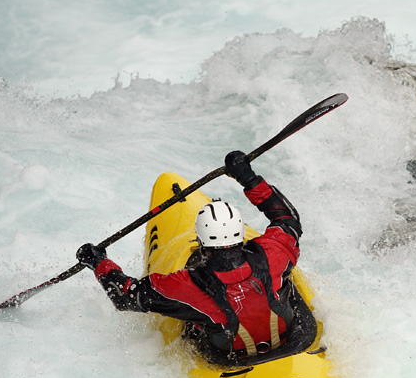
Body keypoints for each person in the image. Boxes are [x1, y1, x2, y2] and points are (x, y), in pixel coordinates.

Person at [75, 151, 315, 366]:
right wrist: (249, 178)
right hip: (289, 340)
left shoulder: (184, 284)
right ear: (240, 232)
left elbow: (126, 296)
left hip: (229, 356)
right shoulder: (274, 252)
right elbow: (287, 219)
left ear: (201, 241)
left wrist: (97, 262)